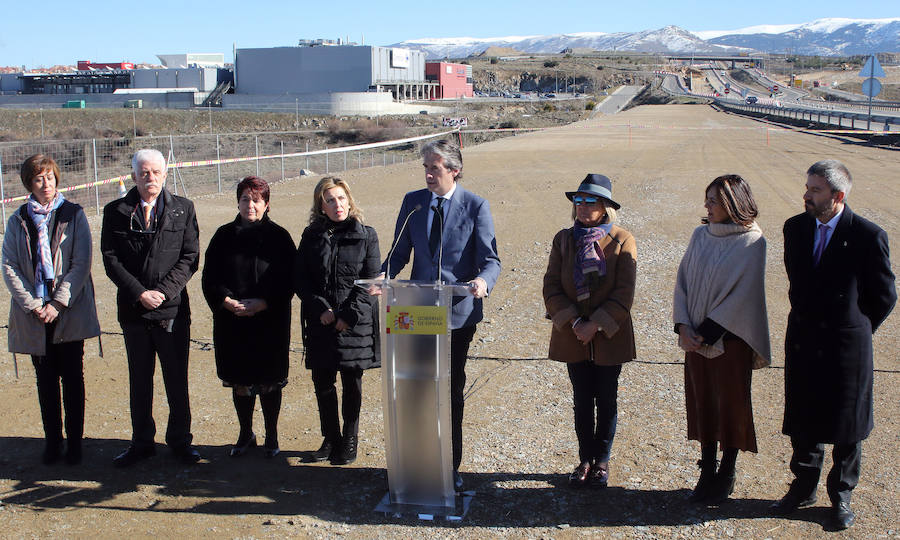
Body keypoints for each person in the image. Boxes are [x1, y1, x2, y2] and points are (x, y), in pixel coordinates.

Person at [772, 159, 896, 530]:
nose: (806, 195)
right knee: (804, 415)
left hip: (847, 345)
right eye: (807, 187)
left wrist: (855, 327)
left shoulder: (867, 235)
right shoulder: (794, 228)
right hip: (805, 337)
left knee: (848, 422)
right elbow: (798, 282)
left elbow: (884, 295)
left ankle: (840, 494)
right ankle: (803, 486)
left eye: (815, 190)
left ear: (837, 196)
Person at [380, 139, 501, 489]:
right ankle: (418, 464)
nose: (428, 174)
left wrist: (481, 280)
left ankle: (450, 466)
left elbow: (491, 260)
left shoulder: (476, 206)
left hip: (457, 314)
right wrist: (383, 277)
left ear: (454, 170)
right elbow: (399, 252)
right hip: (416, 312)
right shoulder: (413, 203)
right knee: (418, 388)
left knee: (449, 390)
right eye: (425, 168)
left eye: (435, 167)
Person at [673, 174, 771, 504]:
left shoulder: (752, 241)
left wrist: (707, 333)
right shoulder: (700, 235)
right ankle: (706, 470)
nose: (707, 206)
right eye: (708, 199)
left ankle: (727, 471)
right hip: (695, 337)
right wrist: (683, 326)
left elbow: (744, 295)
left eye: (713, 201)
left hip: (731, 340)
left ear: (733, 203)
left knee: (730, 405)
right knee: (702, 401)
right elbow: (683, 281)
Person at [101, 148, 201, 467]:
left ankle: (181, 441)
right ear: (134, 176)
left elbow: (190, 257)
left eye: (156, 172)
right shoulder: (115, 211)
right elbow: (111, 259)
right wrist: (140, 293)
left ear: (165, 174)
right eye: (144, 173)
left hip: (171, 312)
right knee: (139, 381)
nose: (150, 178)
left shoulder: (183, 209)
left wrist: (162, 292)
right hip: (134, 312)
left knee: (176, 381)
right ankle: (142, 442)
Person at [2, 154, 101, 465]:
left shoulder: (74, 214)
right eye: (38, 179)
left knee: (73, 377)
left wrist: (58, 302)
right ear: (29, 184)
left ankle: (75, 443)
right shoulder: (17, 219)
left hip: (68, 310)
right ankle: (52, 442)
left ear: (57, 178)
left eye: (49, 177)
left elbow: (81, 263)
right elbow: (9, 265)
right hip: (33, 314)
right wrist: (33, 305)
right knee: (44, 380)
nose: (45, 184)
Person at [542, 174, 636, 488]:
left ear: (605, 206)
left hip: (609, 335)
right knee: (582, 399)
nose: (582, 207)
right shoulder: (563, 239)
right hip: (573, 335)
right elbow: (551, 286)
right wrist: (574, 323)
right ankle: (585, 458)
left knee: (607, 399)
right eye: (578, 201)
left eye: (591, 202)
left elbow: (624, 292)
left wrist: (596, 323)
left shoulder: (622, 238)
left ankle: (602, 461)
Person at [202, 176, 294, 459]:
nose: (250, 205)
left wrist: (264, 303)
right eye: (245, 199)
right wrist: (225, 301)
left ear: (266, 203)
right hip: (233, 321)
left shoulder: (280, 237)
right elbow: (210, 277)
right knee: (240, 381)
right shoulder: (222, 236)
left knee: (269, 380)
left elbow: (290, 279)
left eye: (256, 200)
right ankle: (246, 433)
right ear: (238, 202)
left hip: (270, 321)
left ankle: (272, 435)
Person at [295, 177, 380, 466]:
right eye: (330, 200)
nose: (337, 204)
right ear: (321, 205)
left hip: (354, 324)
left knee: (351, 383)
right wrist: (321, 308)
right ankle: (330, 437)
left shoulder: (366, 235)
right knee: (323, 382)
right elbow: (301, 278)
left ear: (349, 200)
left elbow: (371, 280)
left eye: (341, 198)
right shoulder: (311, 235)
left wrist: (347, 315)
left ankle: (350, 439)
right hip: (320, 321)